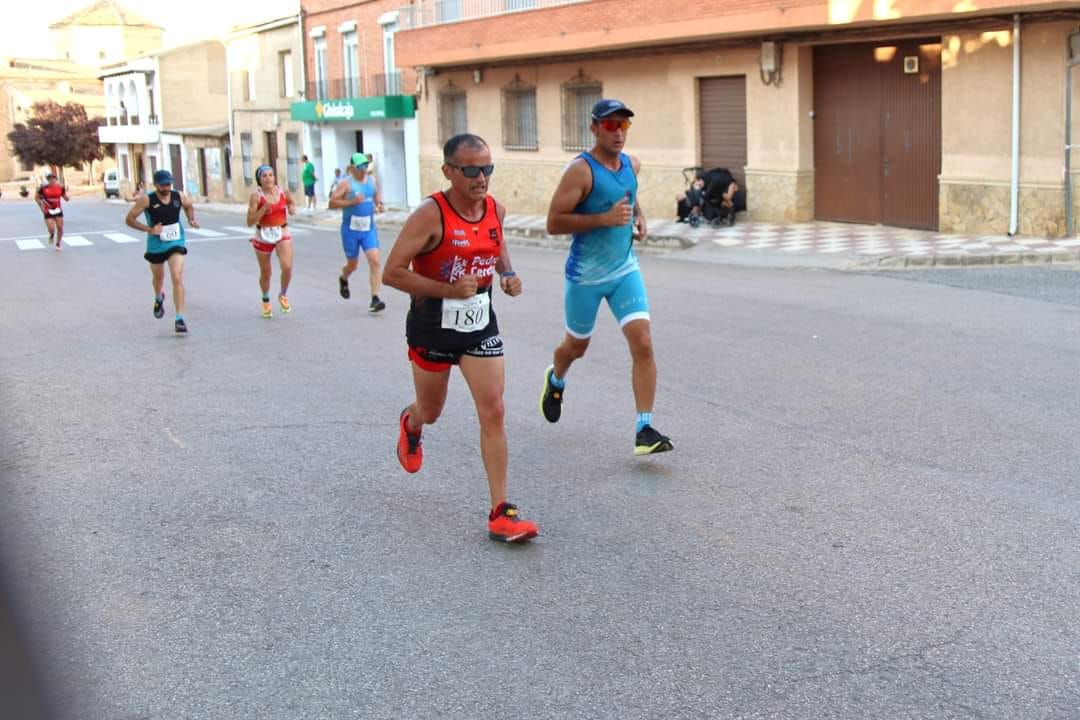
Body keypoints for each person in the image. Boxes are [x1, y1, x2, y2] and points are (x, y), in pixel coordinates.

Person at [382, 133, 538, 543]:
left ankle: (501, 511)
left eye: (487, 168)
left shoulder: (494, 210)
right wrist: (450, 290)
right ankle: (411, 422)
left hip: (479, 321)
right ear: (449, 171)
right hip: (432, 323)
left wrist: (506, 273)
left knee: (495, 409)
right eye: (471, 170)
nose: (481, 177)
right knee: (432, 410)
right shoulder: (429, 215)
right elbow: (392, 273)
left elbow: (495, 239)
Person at [540, 98, 674, 456]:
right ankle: (556, 379)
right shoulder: (580, 171)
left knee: (643, 343)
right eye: (611, 125)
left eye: (624, 125)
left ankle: (644, 429)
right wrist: (603, 219)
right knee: (576, 348)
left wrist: (638, 216)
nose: (618, 132)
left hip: (624, 268)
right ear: (594, 128)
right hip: (585, 276)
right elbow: (553, 223)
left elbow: (628, 195)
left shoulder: (632, 164)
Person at [124, 169, 198, 334]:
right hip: (156, 244)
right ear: (156, 184)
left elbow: (188, 206)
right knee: (158, 277)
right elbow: (129, 219)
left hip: (175, 241)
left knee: (177, 276)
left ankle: (179, 318)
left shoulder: (179, 195)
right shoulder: (146, 199)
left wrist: (191, 219)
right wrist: (149, 229)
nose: (166, 187)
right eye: (163, 184)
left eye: (168, 183)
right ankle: (159, 297)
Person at [330, 153, 386, 312]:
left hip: (368, 228)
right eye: (360, 167)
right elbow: (332, 202)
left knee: (375, 261)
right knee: (352, 265)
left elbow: (376, 194)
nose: (363, 170)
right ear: (352, 168)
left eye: (366, 166)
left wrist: (379, 204)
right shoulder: (346, 184)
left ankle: (375, 298)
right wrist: (351, 202)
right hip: (350, 230)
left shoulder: (371, 180)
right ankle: (344, 278)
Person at [246, 165, 296, 318]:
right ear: (259, 180)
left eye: (270, 175)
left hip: (281, 231)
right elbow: (249, 221)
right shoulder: (256, 196)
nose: (268, 179)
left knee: (287, 267)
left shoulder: (283, 191)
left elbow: (291, 202)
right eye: (264, 176)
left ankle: (283, 294)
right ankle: (266, 299)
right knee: (266, 272)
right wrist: (262, 210)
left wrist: (292, 208)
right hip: (263, 234)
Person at [36, 173, 68, 251]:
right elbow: (36, 198)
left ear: (56, 179)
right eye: (49, 179)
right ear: (47, 180)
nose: (51, 180)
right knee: (51, 228)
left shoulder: (60, 188)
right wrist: (41, 207)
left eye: (53, 178)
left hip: (58, 209)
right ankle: (51, 235)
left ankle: (58, 243)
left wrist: (67, 198)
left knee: (60, 228)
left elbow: (65, 197)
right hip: (48, 210)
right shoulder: (43, 188)